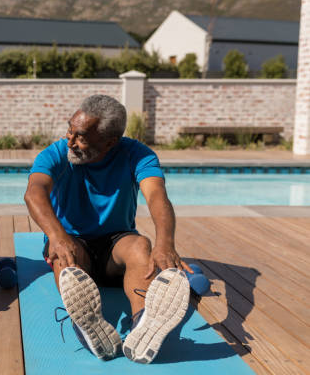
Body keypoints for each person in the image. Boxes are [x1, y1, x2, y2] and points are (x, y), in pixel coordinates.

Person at [24, 95, 191, 364]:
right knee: (66, 258)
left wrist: (165, 244)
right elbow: (34, 193)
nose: (70, 141)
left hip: (116, 244)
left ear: (110, 142)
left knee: (141, 246)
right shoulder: (56, 153)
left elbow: (157, 196)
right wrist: (56, 237)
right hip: (72, 240)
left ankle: (142, 323)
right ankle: (87, 326)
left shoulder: (138, 155)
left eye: (80, 137)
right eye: (70, 129)